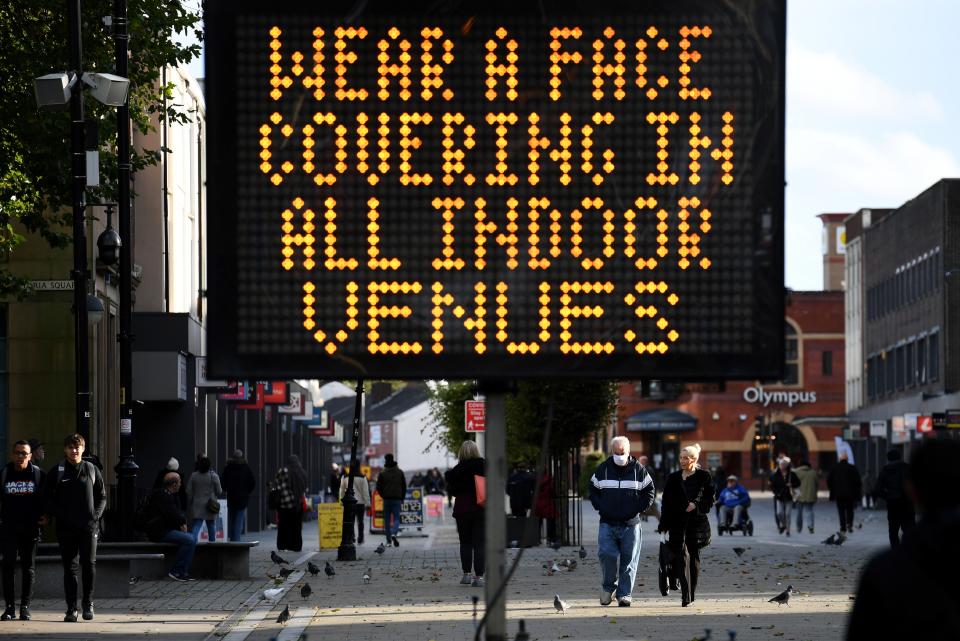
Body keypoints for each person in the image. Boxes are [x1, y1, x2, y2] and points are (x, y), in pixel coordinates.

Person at [846, 439, 960, 640]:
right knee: (908, 526)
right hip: (907, 509)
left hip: (894, 505)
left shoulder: (883, 571)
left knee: (894, 528)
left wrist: (889, 495)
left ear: (913, 490)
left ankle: (897, 544)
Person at [44, 433, 106, 623]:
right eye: (71, 447)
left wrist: (95, 516)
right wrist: (59, 515)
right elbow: (47, 498)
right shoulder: (57, 471)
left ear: (83, 448)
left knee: (89, 565)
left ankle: (88, 604)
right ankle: (71, 608)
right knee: (70, 569)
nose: (74, 450)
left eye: (77, 446)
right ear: (65, 449)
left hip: (88, 528)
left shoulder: (92, 469)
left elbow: (102, 497)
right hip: (66, 529)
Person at [588, 436, 655, 607]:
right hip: (607, 522)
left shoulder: (639, 470)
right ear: (612, 452)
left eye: (622, 452)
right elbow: (593, 490)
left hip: (630, 524)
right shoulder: (602, 469)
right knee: (606, 555)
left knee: (629, 560)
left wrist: (637, 509)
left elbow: (649, 491)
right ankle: (608, 588)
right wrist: (600, 507)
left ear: (628, 451)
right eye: (616, 453)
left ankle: (624, 594)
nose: (619, 455)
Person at [658, 443, 713, 607]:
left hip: (696, 524)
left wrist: (696, 506)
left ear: (694, 459)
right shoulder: (673, 477)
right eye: (681, 458)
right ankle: (685, 595)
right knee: (681, 557)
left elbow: (710, 499)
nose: (682, 461)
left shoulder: (704, 476)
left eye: (686, 458)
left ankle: (691, 593)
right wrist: (664, 524)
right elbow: (666, 502)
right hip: (676, 523)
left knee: (693, 559)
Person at [1, 440, 46, 621]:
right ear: (13, 454)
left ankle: (25, 607)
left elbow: (47, 498)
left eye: (24, 453)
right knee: (8, 566)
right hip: (9, 528)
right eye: (17, 453)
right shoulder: (4, 473)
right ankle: (10, 608)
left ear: (30, 456)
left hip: (30, 529)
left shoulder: (38, 475)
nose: (20, 456)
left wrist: (46, 515)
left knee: (29, 568)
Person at [445, 440, 485, 587]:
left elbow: (452, 491)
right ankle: (479, 577)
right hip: (480, 508)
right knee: (480, 543)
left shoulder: (455, 471)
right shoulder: (484, 466)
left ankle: (466, 575)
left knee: (465, 542)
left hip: (462, 509)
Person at [145, 472, 197, 581]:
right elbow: (173, 515)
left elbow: (175, 514)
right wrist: (182, 522)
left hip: (165, 530)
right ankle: (177, 571)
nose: (180, 485)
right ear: (173, 484)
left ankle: (182, 571)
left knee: (191, 538)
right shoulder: (163, 496)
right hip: (159, 532)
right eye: (179, 482)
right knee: (190, 539)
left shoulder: (169, 495)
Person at [876, 449, 914, 547]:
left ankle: (895, 551)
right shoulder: (908, 468)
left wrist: (888, 496)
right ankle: (909, 550)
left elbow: (878, 489)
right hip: (907, 502)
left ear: (888, 458)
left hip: (893, 503)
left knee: (893, 529)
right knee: (909, 528)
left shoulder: (885, 470)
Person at [273, 455, 308, 552]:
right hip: (297, 504)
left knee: (284, 525)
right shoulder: (302, 472)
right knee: (296, 526)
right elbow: (304, 487)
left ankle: (283, 545)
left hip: (284, 504)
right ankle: (296, 546)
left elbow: (277, 485)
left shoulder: (283, 471)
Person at [221, 450, 256, 542]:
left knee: (232, 521)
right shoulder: (246, 468)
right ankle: (236, 542)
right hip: (242, 499)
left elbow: (223, 482)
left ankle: (233, 540)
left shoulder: (228, 468)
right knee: (239, 521)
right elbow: (252, 482)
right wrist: (247, 491)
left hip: (231, 497)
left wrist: (227, 489)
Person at [186, 456, 222, 543]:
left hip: (197, 504)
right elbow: (219, 491)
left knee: (196, 525)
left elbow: (188, 490)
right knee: (211, 525)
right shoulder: (214, 476)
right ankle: (212, 544)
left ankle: (192, 543)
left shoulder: (194, 475)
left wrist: (191, 500)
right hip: (210, 505)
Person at [827, 453, 862, 534]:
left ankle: (843, 527)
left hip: (839, 494)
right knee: (850, 510)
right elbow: (858, 481)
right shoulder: (852, 468)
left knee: (841, 511)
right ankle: (849, 525)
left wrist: (833, 489)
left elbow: (829, 480)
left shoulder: (835, 468)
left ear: (840, 459)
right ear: (847, 459)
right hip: (850, 494)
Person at [377, 454, 406, 547]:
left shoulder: (382, 473)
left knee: (387, 520)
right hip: (397, 499)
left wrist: (383, 495)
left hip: (387, 499)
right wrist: (402, 497)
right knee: (397, 518)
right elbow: (404, 486)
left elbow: (378, 487)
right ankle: (394, 533)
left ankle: (388, 541)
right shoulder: (400, 472)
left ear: (385, 460)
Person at [339, 468, 371, 544]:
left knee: (350, 521)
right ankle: (360, 538)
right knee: (360, 521)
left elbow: (342, 490)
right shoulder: (363, 477)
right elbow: (365, 492)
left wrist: (341, 500)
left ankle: (352, 537)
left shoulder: (345, 477)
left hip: (349, 503)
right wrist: (368, 503)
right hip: (360, 503)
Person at [770, 457, 800, 536]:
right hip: (779, 496)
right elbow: (772, 486)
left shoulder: (792, 474)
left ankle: (788, 530)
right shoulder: (776, 475)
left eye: (783, 465)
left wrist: (792, 484)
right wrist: (776, 493)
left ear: (786, 466)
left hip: (789, 496)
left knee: (787, 514)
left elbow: (798, 483)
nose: (782, 466)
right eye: (781, 465)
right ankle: (784, 525)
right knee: (779, 513)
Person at [793, 459, 818, 534]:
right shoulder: (813, 472)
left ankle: (799, 528)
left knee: (799, 512)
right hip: (810, 495)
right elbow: (817, 484)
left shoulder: (796, 472)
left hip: (799, 495)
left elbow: (793, 484)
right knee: (809, 511)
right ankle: (810, 526)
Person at [535, 470, 558, 545]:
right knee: (551, 520)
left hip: (539, 502)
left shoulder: (536, 479)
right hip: (548, 501)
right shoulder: (550, 479)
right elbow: (553, 490)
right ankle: (551, 538)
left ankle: (537, 538)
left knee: (538, 521)